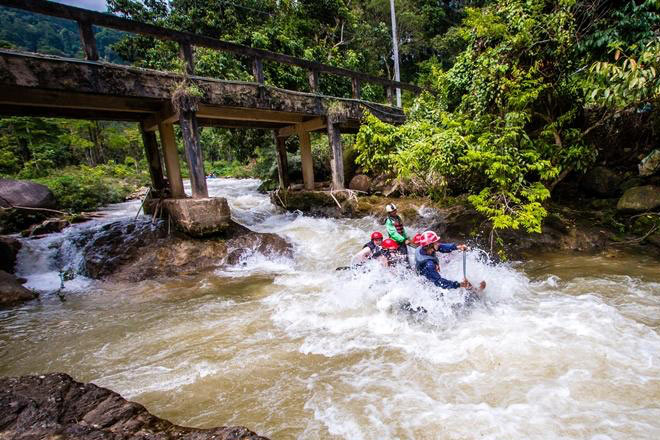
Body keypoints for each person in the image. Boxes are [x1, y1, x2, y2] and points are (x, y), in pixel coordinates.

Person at [414, 230, 485, 292]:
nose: (438, 243)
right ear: (430, 245)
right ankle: (472, 290)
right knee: (452, 286)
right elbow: (439, 282)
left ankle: (471, 288)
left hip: (431, 275)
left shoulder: (425, 248)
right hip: (429, 284)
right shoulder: (429, 265)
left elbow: (441, 247)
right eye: (436, 242)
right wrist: (459, 285)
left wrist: (457, 247)